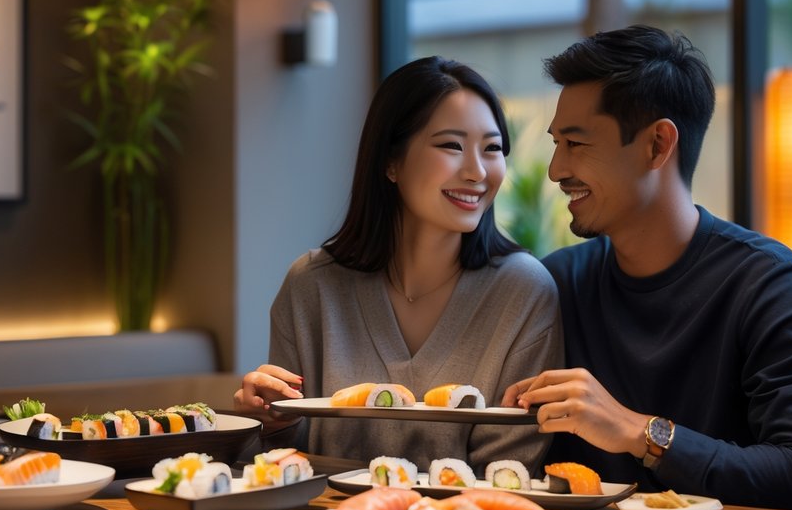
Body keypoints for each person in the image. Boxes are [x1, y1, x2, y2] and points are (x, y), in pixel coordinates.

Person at [495, 25, 792, 510]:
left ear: (658, 144)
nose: (555, 170)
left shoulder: (775, 287)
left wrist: (642, 433)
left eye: (576, 144)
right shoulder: (559, 282)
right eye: (556, 144)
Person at [234, 55, 562, 473]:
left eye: (493, 148)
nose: (477, 171)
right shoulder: (310, 286)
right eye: (451, 145)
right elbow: (284, 458)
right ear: (391, 162)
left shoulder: (524, 291)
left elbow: (508, 471)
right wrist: (269, 419)